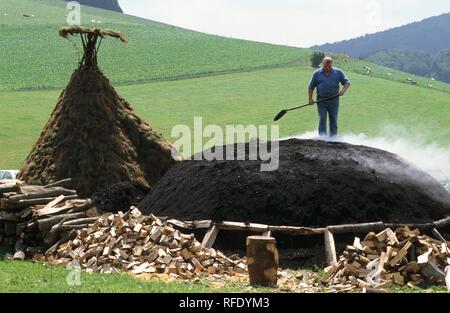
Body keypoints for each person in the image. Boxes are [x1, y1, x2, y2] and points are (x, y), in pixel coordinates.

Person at [308, 56, 350, 137]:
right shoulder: (317, 73)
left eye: (329, 66)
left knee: (333, 119)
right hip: (321, 101)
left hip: (334, 101)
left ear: (332, 65)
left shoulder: (338, 72)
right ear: (322, 65)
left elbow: (347, 82)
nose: (327, 68)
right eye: (325, 66)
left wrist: (343, 90)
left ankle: (333, 139)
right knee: (322, 119)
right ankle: (323, 138)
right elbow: (311, 87)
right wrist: (310, 99)